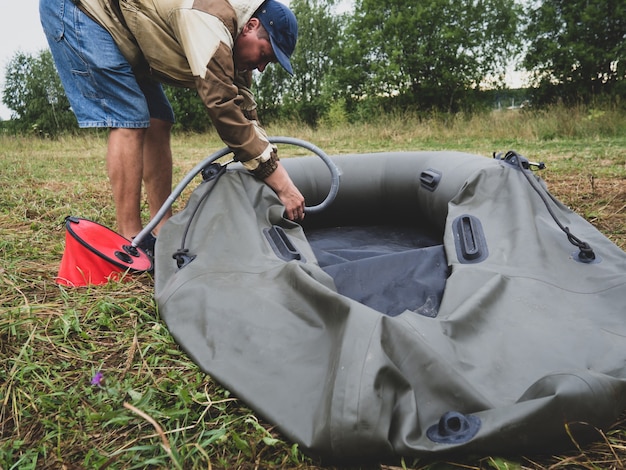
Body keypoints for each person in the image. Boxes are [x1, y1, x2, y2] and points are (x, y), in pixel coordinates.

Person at [39, 0, 305, 254]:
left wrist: (273, 167)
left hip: (129, 33)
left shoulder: (237, 49)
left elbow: (245, 115)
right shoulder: (210, 19)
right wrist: (281, 186)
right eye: (264, 54)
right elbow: (222, 106)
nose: (260, 67)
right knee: (130, 116)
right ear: (251, 26)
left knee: (159, 119)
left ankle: (161, 228)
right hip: (86, 11)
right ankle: (130, 240)